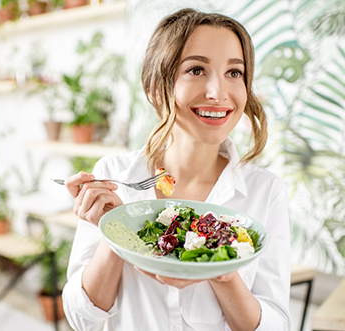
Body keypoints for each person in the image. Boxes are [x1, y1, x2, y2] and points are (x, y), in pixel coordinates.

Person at [62, 8, 291, 331]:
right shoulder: (115, 175)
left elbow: (276, 325)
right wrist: (116, 232)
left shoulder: (264, 192)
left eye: (234, 73)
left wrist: (224, 275)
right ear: (156, 88)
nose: (218, 93)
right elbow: (82, 318)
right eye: (196, 70)